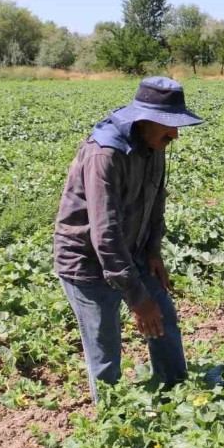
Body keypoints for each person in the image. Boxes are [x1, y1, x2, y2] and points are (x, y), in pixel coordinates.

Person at [53, 76, 204, 403]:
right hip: (86, 261)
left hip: (131, 249)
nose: (175, 135)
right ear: (143, 119)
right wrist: (136, 296)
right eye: (169, 125)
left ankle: (175, 393)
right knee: (105, 348)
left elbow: (156, 200)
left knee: (162, 316)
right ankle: (111, 422)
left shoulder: (154, 144)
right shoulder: (105, 154)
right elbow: (104, 233)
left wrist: (153, 252)